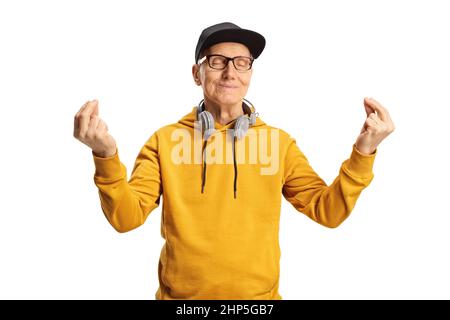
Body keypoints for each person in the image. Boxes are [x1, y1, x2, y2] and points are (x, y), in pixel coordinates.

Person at [73, 22, 395, 300]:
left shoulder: (278, 143)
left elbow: (329, 211)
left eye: (242, 62)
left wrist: (363, 153)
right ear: (197, 73)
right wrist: (106, 155)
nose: (230, 72)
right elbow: (125, 218)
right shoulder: (164, 140)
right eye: (218, 61)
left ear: (250, 73)